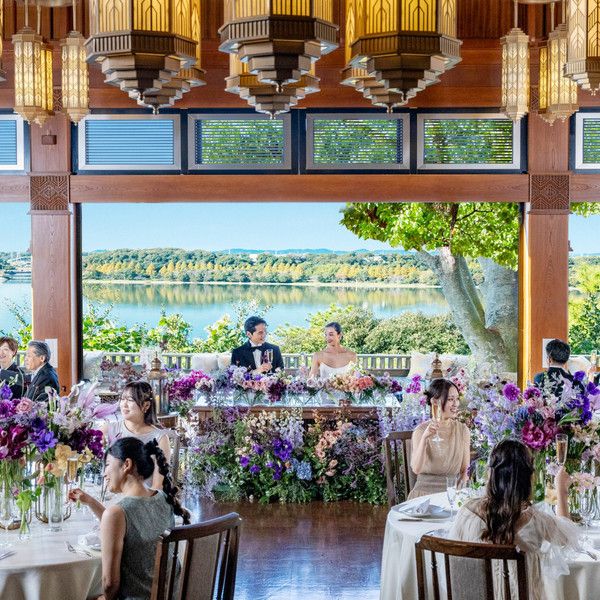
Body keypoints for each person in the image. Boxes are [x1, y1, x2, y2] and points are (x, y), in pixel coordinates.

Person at [449, 440, 579, 600]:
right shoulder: (535, 520)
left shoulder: (467, 512)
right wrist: (561, 490)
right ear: (528, 478)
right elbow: (566, 537)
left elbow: (454, 565)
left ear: (491, 474)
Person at [69, 438, 190, 600]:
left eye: (107, 465)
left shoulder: (117, 513)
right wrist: (90, 501)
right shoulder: (163, 497)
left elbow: (110, 584)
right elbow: (127, 523)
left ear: (126, 464)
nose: (104, 473)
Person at [102, 381, 171, 490]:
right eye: (122, 399)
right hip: (108, 494)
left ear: (146, 405)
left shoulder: (160, 438)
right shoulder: (108, 429)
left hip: (143, 497)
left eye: (130, 400)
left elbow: (157, 486)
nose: (124, 404)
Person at [409, 378, 470, 499]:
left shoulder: (462, 430)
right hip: (424, 496)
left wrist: (460, 495)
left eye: (457, 399)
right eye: (450, 399)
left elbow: (465, 471)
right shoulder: (420, 431)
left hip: (452, 495)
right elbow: (416, 469)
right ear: (435, 401)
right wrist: (425, 438)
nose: (456, 404)